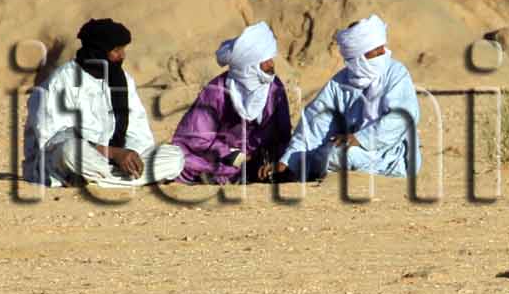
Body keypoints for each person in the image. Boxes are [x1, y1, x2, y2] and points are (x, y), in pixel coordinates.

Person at [22, 18, 185, 188]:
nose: (122, 55)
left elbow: (139, 134)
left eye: (123, 49)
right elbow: (53, 142)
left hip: (112, 163)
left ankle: (103, 180)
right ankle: (123, 181)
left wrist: (130, 156)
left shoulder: (122, 80)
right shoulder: (63, 81)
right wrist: (114, 153)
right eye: (116, 50)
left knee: (175, 156)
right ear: (97, 51)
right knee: (71, 151)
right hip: (68, 162)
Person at [280, 14, 421, 180]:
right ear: (358, 57)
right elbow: (315, 123)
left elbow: (402, 117)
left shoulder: (396, 72)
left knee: (342, 155)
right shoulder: (340, 83)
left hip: (392, 153)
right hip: (352, 148)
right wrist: (288, 161)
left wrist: (359, 138)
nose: (383, 53)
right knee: (325, 153)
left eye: (382, 48)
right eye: (376, 51)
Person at [170, 21, 293, 185]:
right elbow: (196, 138)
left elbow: (284, 133)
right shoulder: (217, 90)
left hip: (258, 158)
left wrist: (277, 158)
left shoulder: (274, 87)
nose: (271, 65)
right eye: (266, 61)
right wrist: (231, 154)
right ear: (249, 66)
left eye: (271, 59)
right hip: (219, 156)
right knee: (180, 162)